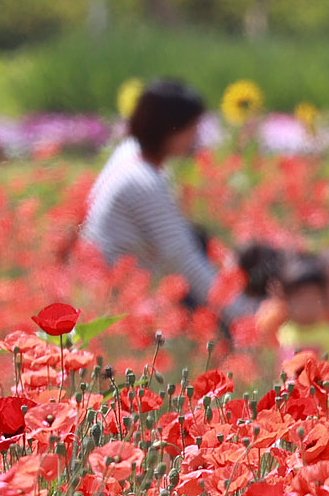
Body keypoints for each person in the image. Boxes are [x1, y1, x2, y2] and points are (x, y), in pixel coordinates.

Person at [81, 79, 252, 321]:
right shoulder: (142, 182)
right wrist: (245, 314)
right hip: (122, 299)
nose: (197, 137)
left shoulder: (128, 153)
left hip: (106, 283)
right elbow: (184, 261)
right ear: (170, 129)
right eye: (192, 128)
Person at [275, 255, 329, 365]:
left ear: (325, 299)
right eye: (300, 298)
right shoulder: (281, 333)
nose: (307, 305)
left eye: (313, 299)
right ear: (287, 300)